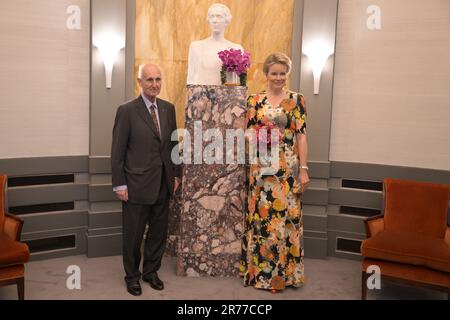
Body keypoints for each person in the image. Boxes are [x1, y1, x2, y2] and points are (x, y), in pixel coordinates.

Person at [240, 53, 309, 293]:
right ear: (266, 74)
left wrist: (303, 169)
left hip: (288, 170)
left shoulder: (296, 100)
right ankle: (262, 275)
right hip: (261, 169)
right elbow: (245, 133)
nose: (278, 78)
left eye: (282, 73)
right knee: (263, 221)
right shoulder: (254, 101)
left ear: (286, 74)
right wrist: (259, 135)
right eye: (274, 73)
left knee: (286, 222)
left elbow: (301, 136)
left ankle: (285, 277)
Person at [111, 63, 181, 296]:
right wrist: (120, 184)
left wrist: (176, 176)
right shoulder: (127, 110)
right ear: (140, 82)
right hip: (135, 185)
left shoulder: (168, 109)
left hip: (163, 183)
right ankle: (132, 276)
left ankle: (151, 272)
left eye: (158, 79)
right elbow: (118, 150)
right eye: (149, 79)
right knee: (133, 235)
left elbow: (173, 145)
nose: (154, 84)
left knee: (158, 233)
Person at [187, 3, 243, 85]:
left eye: (219, 16)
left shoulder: (236, 49)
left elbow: (238, 83)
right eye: (212, 16)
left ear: (226, 21)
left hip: (226, 96)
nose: (215, 20)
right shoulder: (196, 47)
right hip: (201, 96)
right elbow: (191, 79)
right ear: (208, 20)